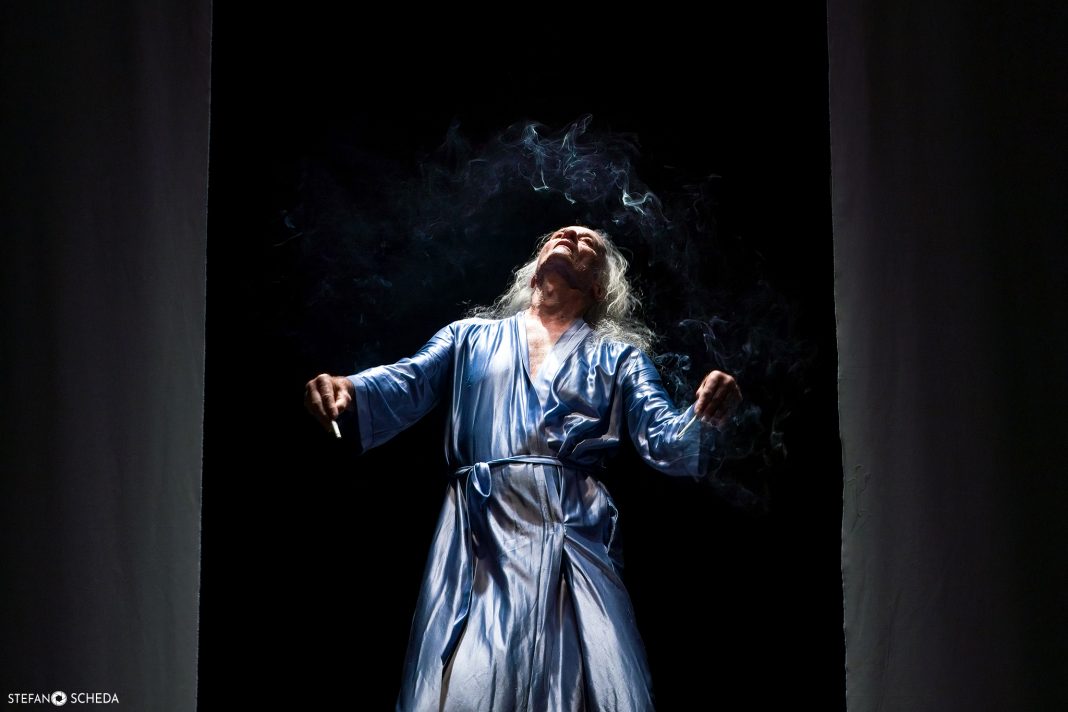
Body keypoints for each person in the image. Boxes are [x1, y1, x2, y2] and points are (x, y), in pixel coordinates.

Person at [304, 226, 742, 711]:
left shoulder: (619, 358)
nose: (570, 234)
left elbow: (667, 441)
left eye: (589, 244)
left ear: (598, 287)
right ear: (533, 271)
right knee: (468, 679)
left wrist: (705, 414)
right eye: (560, 234)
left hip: (570, 534)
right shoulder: (469, 337)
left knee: (583, 679)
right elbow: (408, 381)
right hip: (481, 534)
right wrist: (349, 387)